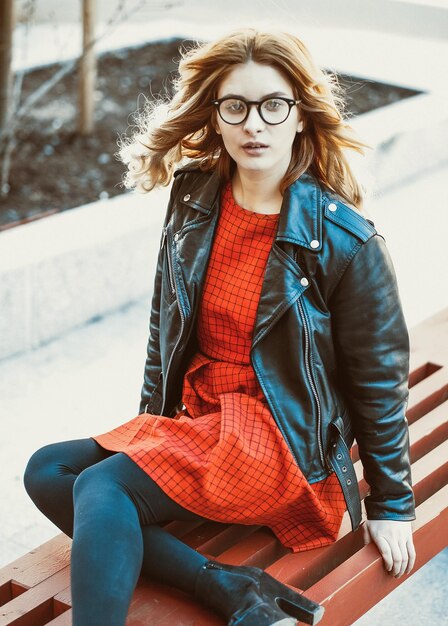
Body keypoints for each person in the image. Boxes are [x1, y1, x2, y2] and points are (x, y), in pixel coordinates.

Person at [23, 28, 416, 626]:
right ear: (215, 115)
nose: (254, 124)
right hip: (205, 414)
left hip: (282, 437)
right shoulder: (195, 195)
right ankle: (226, 587)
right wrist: (151, 430)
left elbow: (380, 379)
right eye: (236, 106)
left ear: (300, 115)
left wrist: (393, 503)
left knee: (106, 488)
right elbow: (165, 325)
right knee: (49, 470)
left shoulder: (344, 241)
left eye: (273, 106)